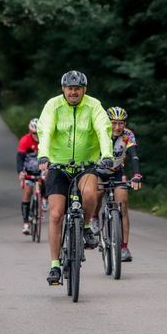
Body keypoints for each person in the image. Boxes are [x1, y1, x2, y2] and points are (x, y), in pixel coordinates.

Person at [37, 70, 114, 285]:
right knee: (56, 214)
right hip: (58, 165)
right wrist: (43, 155)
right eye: (70, 88)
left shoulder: (93, 105)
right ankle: (55, 265)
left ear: (84, 89)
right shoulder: (53, 105)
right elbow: (45, 130)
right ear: (63, 89)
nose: (73, 92)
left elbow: (103, 129)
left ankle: (86, 226)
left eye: (78, 88)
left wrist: (107, 155)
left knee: (89, 194)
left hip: (86, 165)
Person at [91, 106, 142, 262]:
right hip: (98, 171)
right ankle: (94, 217)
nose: (118, 127)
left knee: (123, 203)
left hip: (117, 171)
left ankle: (124, 247)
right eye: (114, 123)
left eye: (121, 123)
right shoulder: (100, 132)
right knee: (98, 192)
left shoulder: (127, 135)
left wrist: (137, 175)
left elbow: (133, 155)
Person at [17, 118, 48, 235]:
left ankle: (44, 199)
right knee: (27, 193)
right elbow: (19, 158)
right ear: (30, 132)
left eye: (38, 133)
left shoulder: (46, 140)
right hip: (28, 171)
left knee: (48, 177)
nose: (36, 136)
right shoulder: (25, 140)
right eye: (34, 134)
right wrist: (20, 172)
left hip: (41, 171)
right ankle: (26, 223)